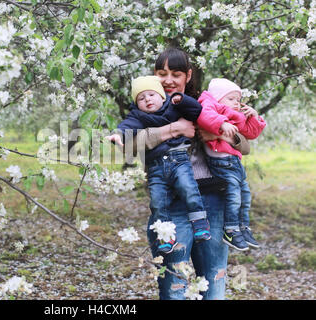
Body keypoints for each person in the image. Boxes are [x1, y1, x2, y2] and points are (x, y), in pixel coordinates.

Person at [118, 47, 250, 300]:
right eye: (161, 73)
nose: (168, 80)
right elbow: (129, 145)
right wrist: (173, 129)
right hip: (172, 204)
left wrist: (220, 133)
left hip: (212, 201)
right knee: (174, 284)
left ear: (188, 75)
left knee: (214, 280)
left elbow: (245, 145)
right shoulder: (146, 107)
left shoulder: (204, 104)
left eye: (175, 73)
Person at [106, 75, 211, 255]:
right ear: (136, 103)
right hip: (155, 167)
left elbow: (197, 111)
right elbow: (127, 126)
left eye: (151, 95)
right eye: (141, 98)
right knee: (157, 202)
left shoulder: (173, 106)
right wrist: (118, 135)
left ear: (162, 96)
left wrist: (181, 99)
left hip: (178, 159)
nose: (147, 100)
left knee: (189, 188)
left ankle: (200, 222)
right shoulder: (138, 117)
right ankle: (164, 235)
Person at [197, 78, 266, 250]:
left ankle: (244, 227)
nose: (236, 102)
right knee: (234, 196)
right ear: (218, 97)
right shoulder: (210, 103)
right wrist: (222, 123)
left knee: (245, 196)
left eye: (238, 99)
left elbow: (249, 134)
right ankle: (231, 229)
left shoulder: (236, 115)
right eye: (231, 98)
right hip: (221, 161)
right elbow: (204, 115)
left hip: (234, 162)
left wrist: (254, 117)